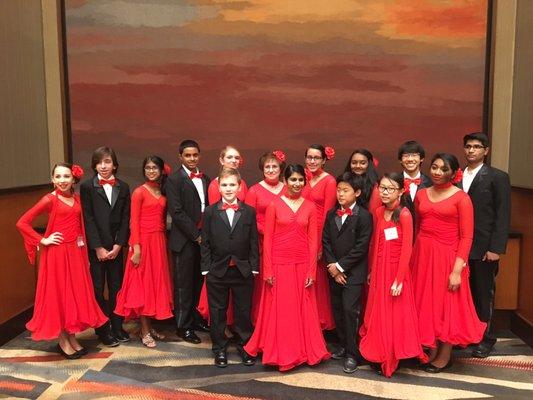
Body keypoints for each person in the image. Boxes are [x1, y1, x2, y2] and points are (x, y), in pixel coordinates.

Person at [17, 163, 108, 359]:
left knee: (72, 295)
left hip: (75, 253)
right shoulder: (49, 199)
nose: (62, 180)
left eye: (66, 176)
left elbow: (80, 229)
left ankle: (71, 336)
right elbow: (22, 222)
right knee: (59, 294)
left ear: (73, 179)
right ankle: (62, 339)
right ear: (52, 179)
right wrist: (43, 239)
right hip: (57, 255)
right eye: (58, 176)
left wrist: (85, 257)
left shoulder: (75, 198)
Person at [244, 164, 330, 371]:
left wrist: (311, 271)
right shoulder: (274, 205)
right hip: (279, 264)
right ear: (286, 180)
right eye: (293, 179)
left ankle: (302, 350)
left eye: (301, 180)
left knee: (302, 307)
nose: (297, 183)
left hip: (301, 265)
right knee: (280, 308)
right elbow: (268, 240)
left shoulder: (309, 207)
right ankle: (280, 351)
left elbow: (312, 242)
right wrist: (269, 270)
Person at [410, 153, 486, 373]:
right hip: (423, 255)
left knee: (446, 306)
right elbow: (417, 227)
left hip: (448, 258)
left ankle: (445, 355)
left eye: (443, 169)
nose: (437, 172)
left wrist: (457, 269)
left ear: (453, 173)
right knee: (426, 303)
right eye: (434, 167)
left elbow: (467, 237)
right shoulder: (422, 194)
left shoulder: (462, 198)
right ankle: (431, 349)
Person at [359, 172, 427, 377]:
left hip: (396, 271)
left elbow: (408, 249)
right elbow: (376, 243)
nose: (385, 192)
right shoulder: (379, 211)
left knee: (392, 314)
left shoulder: (404, 214)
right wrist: (371, 269)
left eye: (389, 189)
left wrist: (399, 280)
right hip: (379, 269)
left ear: (401, 191)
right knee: (377, 312)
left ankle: (390, 358)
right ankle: (377, 353)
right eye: (382, 188)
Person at [459, 132, 511, 358]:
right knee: (464, 294)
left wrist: (495, 248)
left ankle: (485, 338)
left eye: (477, 147)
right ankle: (466, 335)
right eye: (468, 146)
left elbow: (502, 214)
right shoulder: (456, 176)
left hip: (484, 247)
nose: (472, 150)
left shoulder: (497, 177)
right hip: (459, 247)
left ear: (486, 151)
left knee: (483, 293)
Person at [201, 168, 259, 367]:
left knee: (244, 310)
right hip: (217, 270)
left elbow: (253, 242)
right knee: (218, 311)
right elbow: (206, 242)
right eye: (224, 185)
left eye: (232, 184)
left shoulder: (249, 211)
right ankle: (219, 349)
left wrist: (254, 267)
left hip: (242, 270)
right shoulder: (210, 212)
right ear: (218, 187)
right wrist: (206, 268)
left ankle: (245, 347)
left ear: (239, 186)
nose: (228, 189)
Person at [115, 156, 174, 348]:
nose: (151, 171)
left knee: (155, 285)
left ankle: (148, 327)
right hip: (143, 243)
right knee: (143, 286)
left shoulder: (162, 190)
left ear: (161, 170)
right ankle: (145, 331)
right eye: (147, 168)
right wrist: (136, 248)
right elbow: (134, 222)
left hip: (158, 241)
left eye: (154, 168)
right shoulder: (139, 192)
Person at [80, 147, 131, 347]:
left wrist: (119, 245)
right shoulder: (87, 187)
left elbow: (126, 218)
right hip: (97, 249)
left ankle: (117, 326)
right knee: (98, 288)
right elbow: (88, 219)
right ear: (94, 165)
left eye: (108, 161)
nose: (103, 166)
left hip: (116, 248)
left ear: (115, 165)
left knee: (117, 287)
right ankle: (103, 329)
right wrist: (98, 247)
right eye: (100, 162)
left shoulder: (124, 187)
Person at [322, 172, 372, 373]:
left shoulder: (364, 216)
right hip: (334, 272)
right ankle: (343, 345)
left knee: (350, 311)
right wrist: (333, 267)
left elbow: (361, 247)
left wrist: (341, 267)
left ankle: (353, 353)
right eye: (339, 190)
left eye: (345, 190)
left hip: (353, 274)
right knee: (337, 310)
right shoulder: (331, 214)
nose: (340, 194)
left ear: (357, 192)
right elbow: (325, 241)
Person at [166, 140, 210, 344]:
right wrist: (196, 235)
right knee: (183, 285)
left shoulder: (206, 178)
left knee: (198, 281)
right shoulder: (174, 179)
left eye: (195, 155)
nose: (192, 159)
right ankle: (183, 326)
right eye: (188, 155)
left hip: (203, 239)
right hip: (185, 239)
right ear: (180, 157)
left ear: (199, 156)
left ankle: (195, 320)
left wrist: (206, 235)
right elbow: (176, 212)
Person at [245, 150, 286, 323]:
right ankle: (262, 321)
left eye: (274, 166)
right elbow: (248, 219)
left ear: (280, 168)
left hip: (284, 243)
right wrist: (267, 231)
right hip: (262, 244)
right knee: (263, 285)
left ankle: (280, 319)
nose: (270, 169)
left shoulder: (287, 189)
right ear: (262, 169)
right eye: (267, 166)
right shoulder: (254, 190)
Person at [302, 144, 336, 331]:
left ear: (324, 160)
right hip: (300, 232)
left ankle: (317, 323)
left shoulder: (329, 181)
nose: (312, 161)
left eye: (316, 158)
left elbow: (328, 215)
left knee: (317, 280)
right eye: (309, 157)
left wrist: (320, 244)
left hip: (318, 234)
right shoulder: (302, 179)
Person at [397, 140, 432, 219]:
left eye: (414, 155)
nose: (410, 159)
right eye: (406, 156)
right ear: (400, 160)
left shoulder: (430, 183)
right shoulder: (394, 182)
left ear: (421, 158)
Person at [344, 148, 381, 213]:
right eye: (354, 163)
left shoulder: (376, 186)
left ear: (369, 165)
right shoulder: (344, 181)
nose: (358, 166)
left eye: (363, 163)